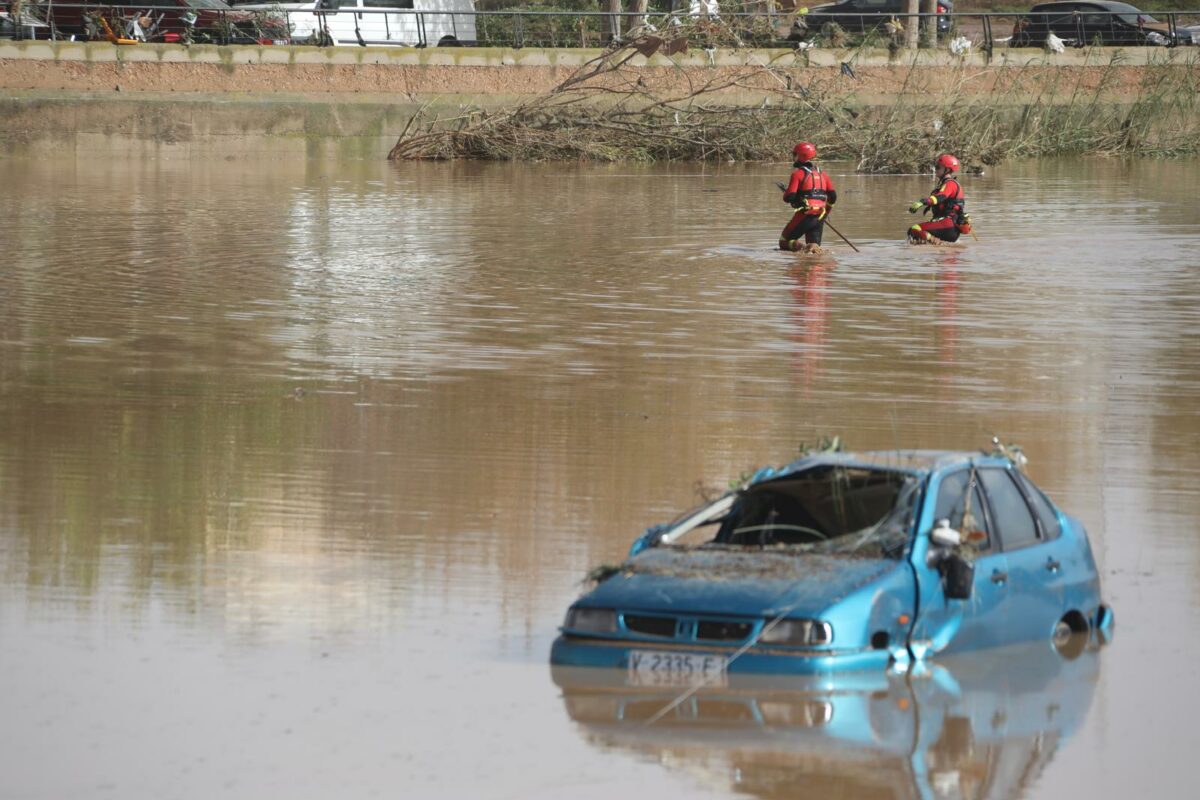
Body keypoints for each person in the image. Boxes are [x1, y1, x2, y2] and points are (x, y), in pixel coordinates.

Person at [780, 141, 837, 253]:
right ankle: (812, 252)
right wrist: (825, 214)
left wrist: (790, 195)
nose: (793, 157)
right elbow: (833, 196)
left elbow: (789, 197)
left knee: (784, 242)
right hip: (820, 217)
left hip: (804, 216)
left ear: (801, 156)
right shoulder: (823, 174)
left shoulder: (797, 174)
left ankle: (802, 247)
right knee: (815, 250)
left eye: (795, 155)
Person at [907, 153, 972, 245]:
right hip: (949, 227)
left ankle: (937, 243)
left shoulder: (950, 184)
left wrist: (923, 202)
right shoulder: (945, 184)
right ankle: (936, 247)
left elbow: (940, 197)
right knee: (914, 234)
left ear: (947, 169)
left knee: (915, 229)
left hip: (948, 225)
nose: (935, 169)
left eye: (938, 167)